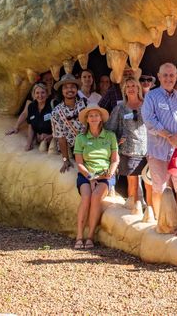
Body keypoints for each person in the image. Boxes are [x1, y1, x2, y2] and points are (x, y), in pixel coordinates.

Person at [141, 63, 177, 236]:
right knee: (159, 187)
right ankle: (161, 222)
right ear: (159, 76)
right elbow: (149, 119)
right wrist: (167, 135)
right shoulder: (151, 96)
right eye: (165, 75)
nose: (168, 79)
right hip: (158, 151)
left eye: (172, 75)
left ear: (176, 76)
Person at [72, 105, 119, 249]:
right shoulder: (81, 138)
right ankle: (79, 236)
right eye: (90, 116)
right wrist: (91, 177)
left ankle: (90, 236)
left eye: (96, 115)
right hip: (86, 174)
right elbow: (79, 162)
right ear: (86, 119)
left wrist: (111, 171)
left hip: (104, 175)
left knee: (96, 196)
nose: (93, 118)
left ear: (101, 118)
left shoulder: (110, 136)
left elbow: (115, 159)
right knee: (86, 196)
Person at [107, 77, 149, 214]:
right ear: (124, 90)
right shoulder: (120, 108)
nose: (131, 88)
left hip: (148, 151)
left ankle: (151, 212)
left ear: (138, 88)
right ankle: (134, 212)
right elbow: (110, 128)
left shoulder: (147, 104)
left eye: (133, 86)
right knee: (133, 183)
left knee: (150, 184)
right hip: (129, 152)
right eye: (128, 86)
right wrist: (117, 140)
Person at [51, 74, 87, 170]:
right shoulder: (56, 112)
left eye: (72, 87)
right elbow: (61, 138)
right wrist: (65, 159)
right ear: (61, 91)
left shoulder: (85, 104)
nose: (69, 90)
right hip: (76, 150)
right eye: (66, 88)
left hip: (92, 146)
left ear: (77, 89)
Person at [6, 82, 54, 151]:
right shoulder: (31, 106)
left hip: (53, 139)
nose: (40, 95)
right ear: (33, 95)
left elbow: (61, 125)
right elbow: (31, 126)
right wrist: (29, 143)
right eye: (37, 93)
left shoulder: (53, 105)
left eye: (43, 92)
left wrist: (51, 136)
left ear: (47, 94)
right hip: (40, 139)